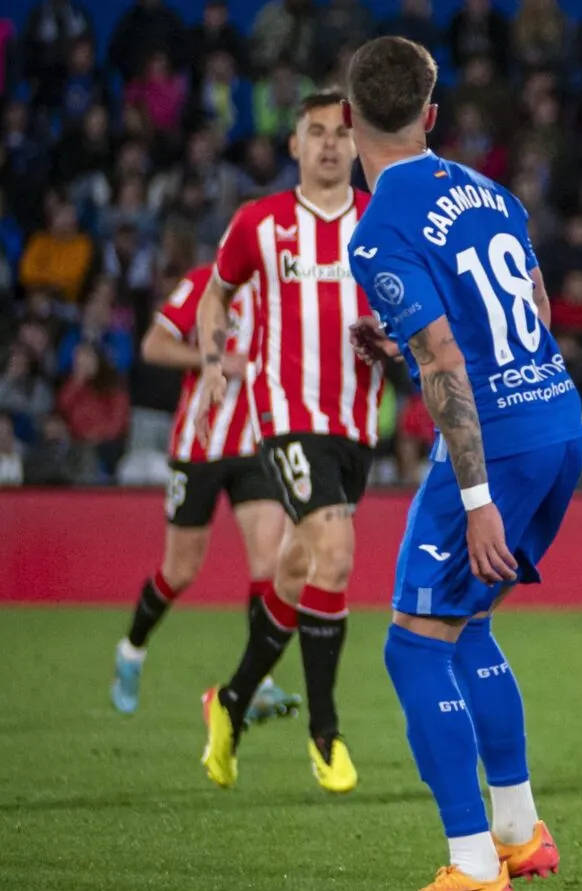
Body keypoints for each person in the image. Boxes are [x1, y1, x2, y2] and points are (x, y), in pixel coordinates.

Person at [343, 36, 582, 891]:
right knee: (468, 623)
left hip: (499, 442)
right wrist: (410, 350)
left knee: (412, 644)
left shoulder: (379, 230)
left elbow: (448, 357)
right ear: (432, 116)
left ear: (346, 116)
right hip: (558, 419)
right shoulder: (493, 192)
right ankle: (520, 833)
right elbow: (533, 312)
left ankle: (474, 864)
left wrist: (477, 499)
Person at [193, 90, 384, 794]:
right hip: (285, 413)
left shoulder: (377, 222)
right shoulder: (261, 223)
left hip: (356, 424)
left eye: (342, 132)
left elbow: (408, 310)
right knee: (335, 552)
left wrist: (393, 339)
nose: (330, 144)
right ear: (295, 145)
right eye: (316, 132)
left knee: (299, 569)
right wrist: (215, 357)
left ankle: (233, 701)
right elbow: (217, 293)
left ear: (358, 144)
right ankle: (325, 733)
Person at [108, 265, 297, 722]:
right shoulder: (204, 283)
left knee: (267, 564)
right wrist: (214, 362)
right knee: (181, 569)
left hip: (256, 446)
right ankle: (131, 651)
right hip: (199, 447)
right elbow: (154, 345)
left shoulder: (286, 290)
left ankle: (258, 684)